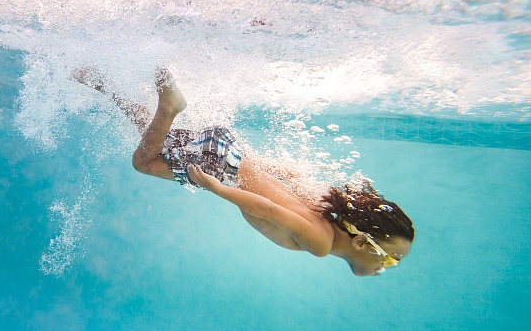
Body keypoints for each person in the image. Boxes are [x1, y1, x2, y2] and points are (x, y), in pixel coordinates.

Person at [75, 68, 415, 276]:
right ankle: (169, 103)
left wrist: (254, 163)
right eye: (390, 260)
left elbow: (290, 179)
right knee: (144, 163)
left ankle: (105, 83)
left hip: (232, 158)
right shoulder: (321, 243)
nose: (385, 268)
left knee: (157, 140)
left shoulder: (324, 218)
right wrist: (218, 188)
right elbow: (266, 207)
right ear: (362, 243)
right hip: (224, 170)